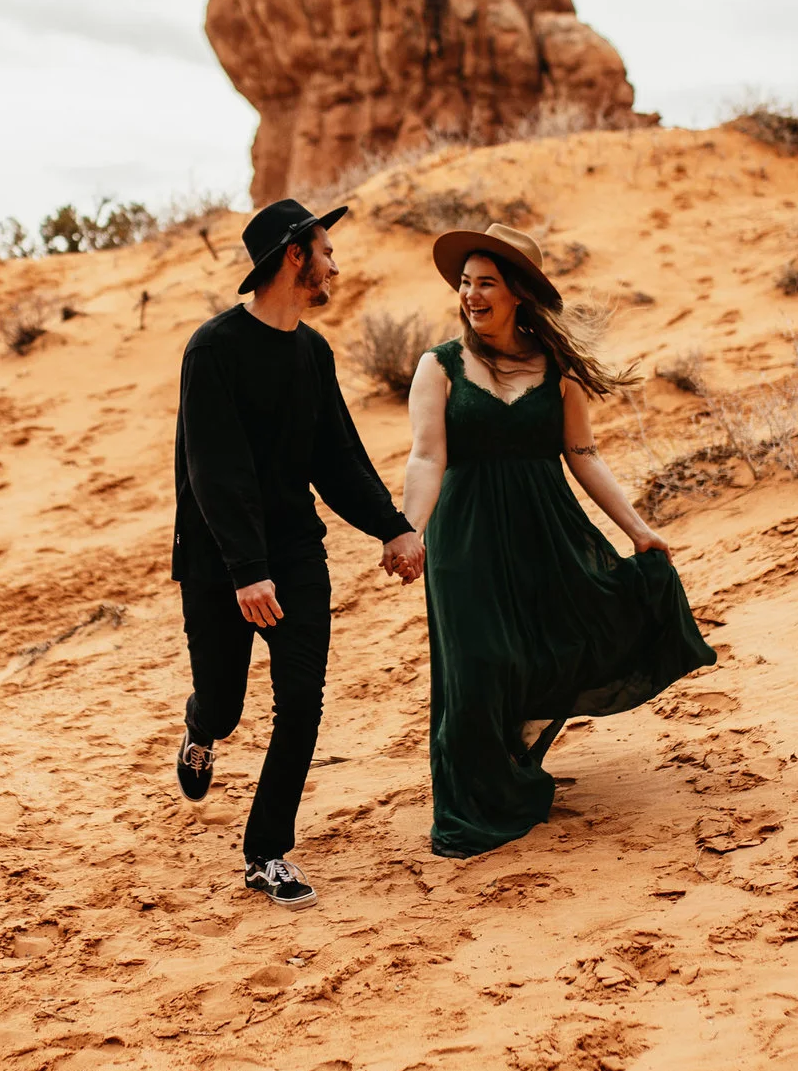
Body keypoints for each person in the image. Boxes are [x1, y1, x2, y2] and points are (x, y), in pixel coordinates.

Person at [400, 222, 717, 859]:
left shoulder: (558, 368)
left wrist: (639, 530)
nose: (471, 295)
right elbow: (426, 458)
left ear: (518, 293)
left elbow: (584, 453)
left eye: (485, 283)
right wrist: (409, 529)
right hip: (465, 541)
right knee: (478, 666)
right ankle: (470, 808)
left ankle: (514, 762)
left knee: (551, 646)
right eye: (465, 283)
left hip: (544, 529)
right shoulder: (439, 365)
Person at [170, 197, 427, 909]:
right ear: (294, 256)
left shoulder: (313, 353)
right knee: (224, 703)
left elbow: (337, 457)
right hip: (222, 558)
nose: (334, 264)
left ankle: (267, 852)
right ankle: (201, 730)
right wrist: (246, 570)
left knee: (301, 706)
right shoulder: (213, 349)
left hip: (295, 550)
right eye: (326, 250)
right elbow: (211, 470)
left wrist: (393, 527)